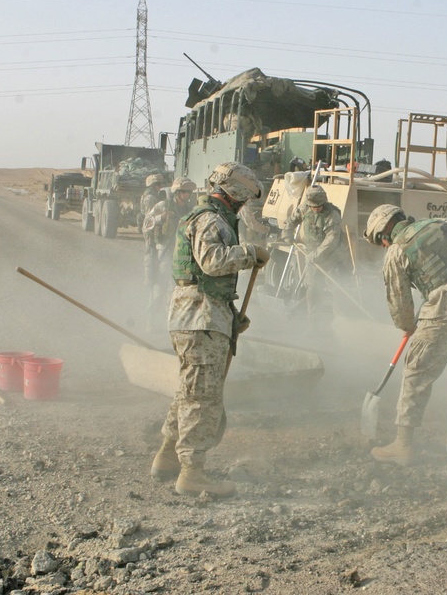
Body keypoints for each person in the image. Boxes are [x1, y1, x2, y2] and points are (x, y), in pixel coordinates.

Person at [150, 163, 271, 497]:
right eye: (244, 199)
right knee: (202, 398)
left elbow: (205, 280)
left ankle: (167, 457)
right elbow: (212, 262)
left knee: (189, 391)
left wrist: (230, 316)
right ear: (235, 193)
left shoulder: (210, 217)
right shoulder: (210, 219)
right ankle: (192, 472)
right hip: (199, 319)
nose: (245, 206)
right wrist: (250, 253)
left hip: (200, 316)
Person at [362, 204, 447, 464]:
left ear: (384, 232)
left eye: (380, 241)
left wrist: (408, 325)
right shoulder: (441, 224)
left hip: (445, 309)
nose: (384, 246)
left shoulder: (397, 252)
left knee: (417, 372)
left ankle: (403, 444)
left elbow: (399, 302)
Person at [282, 185, 344, 334]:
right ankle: (313, 320)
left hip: (331, 255)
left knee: (328, 289)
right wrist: (287, 233)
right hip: (311, 252)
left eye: (319, 206)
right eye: (313, 207)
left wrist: (316, 255)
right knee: (313, 287)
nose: (316, 209)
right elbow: (291, 221)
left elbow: (332, 240)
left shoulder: (332, 215)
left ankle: (331, 322)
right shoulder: (304, 208)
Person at [143, 177, 197, 323]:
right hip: (164, 251)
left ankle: (171, 321)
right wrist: (161, 218)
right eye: (184, 192)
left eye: (189, 192)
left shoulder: (190, 209)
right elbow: (146, 223)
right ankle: (151, 320)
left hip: (181, 253)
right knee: (159, 286)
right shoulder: (163, 206)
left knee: (176, 289)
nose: (187, 195)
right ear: (177, 192)